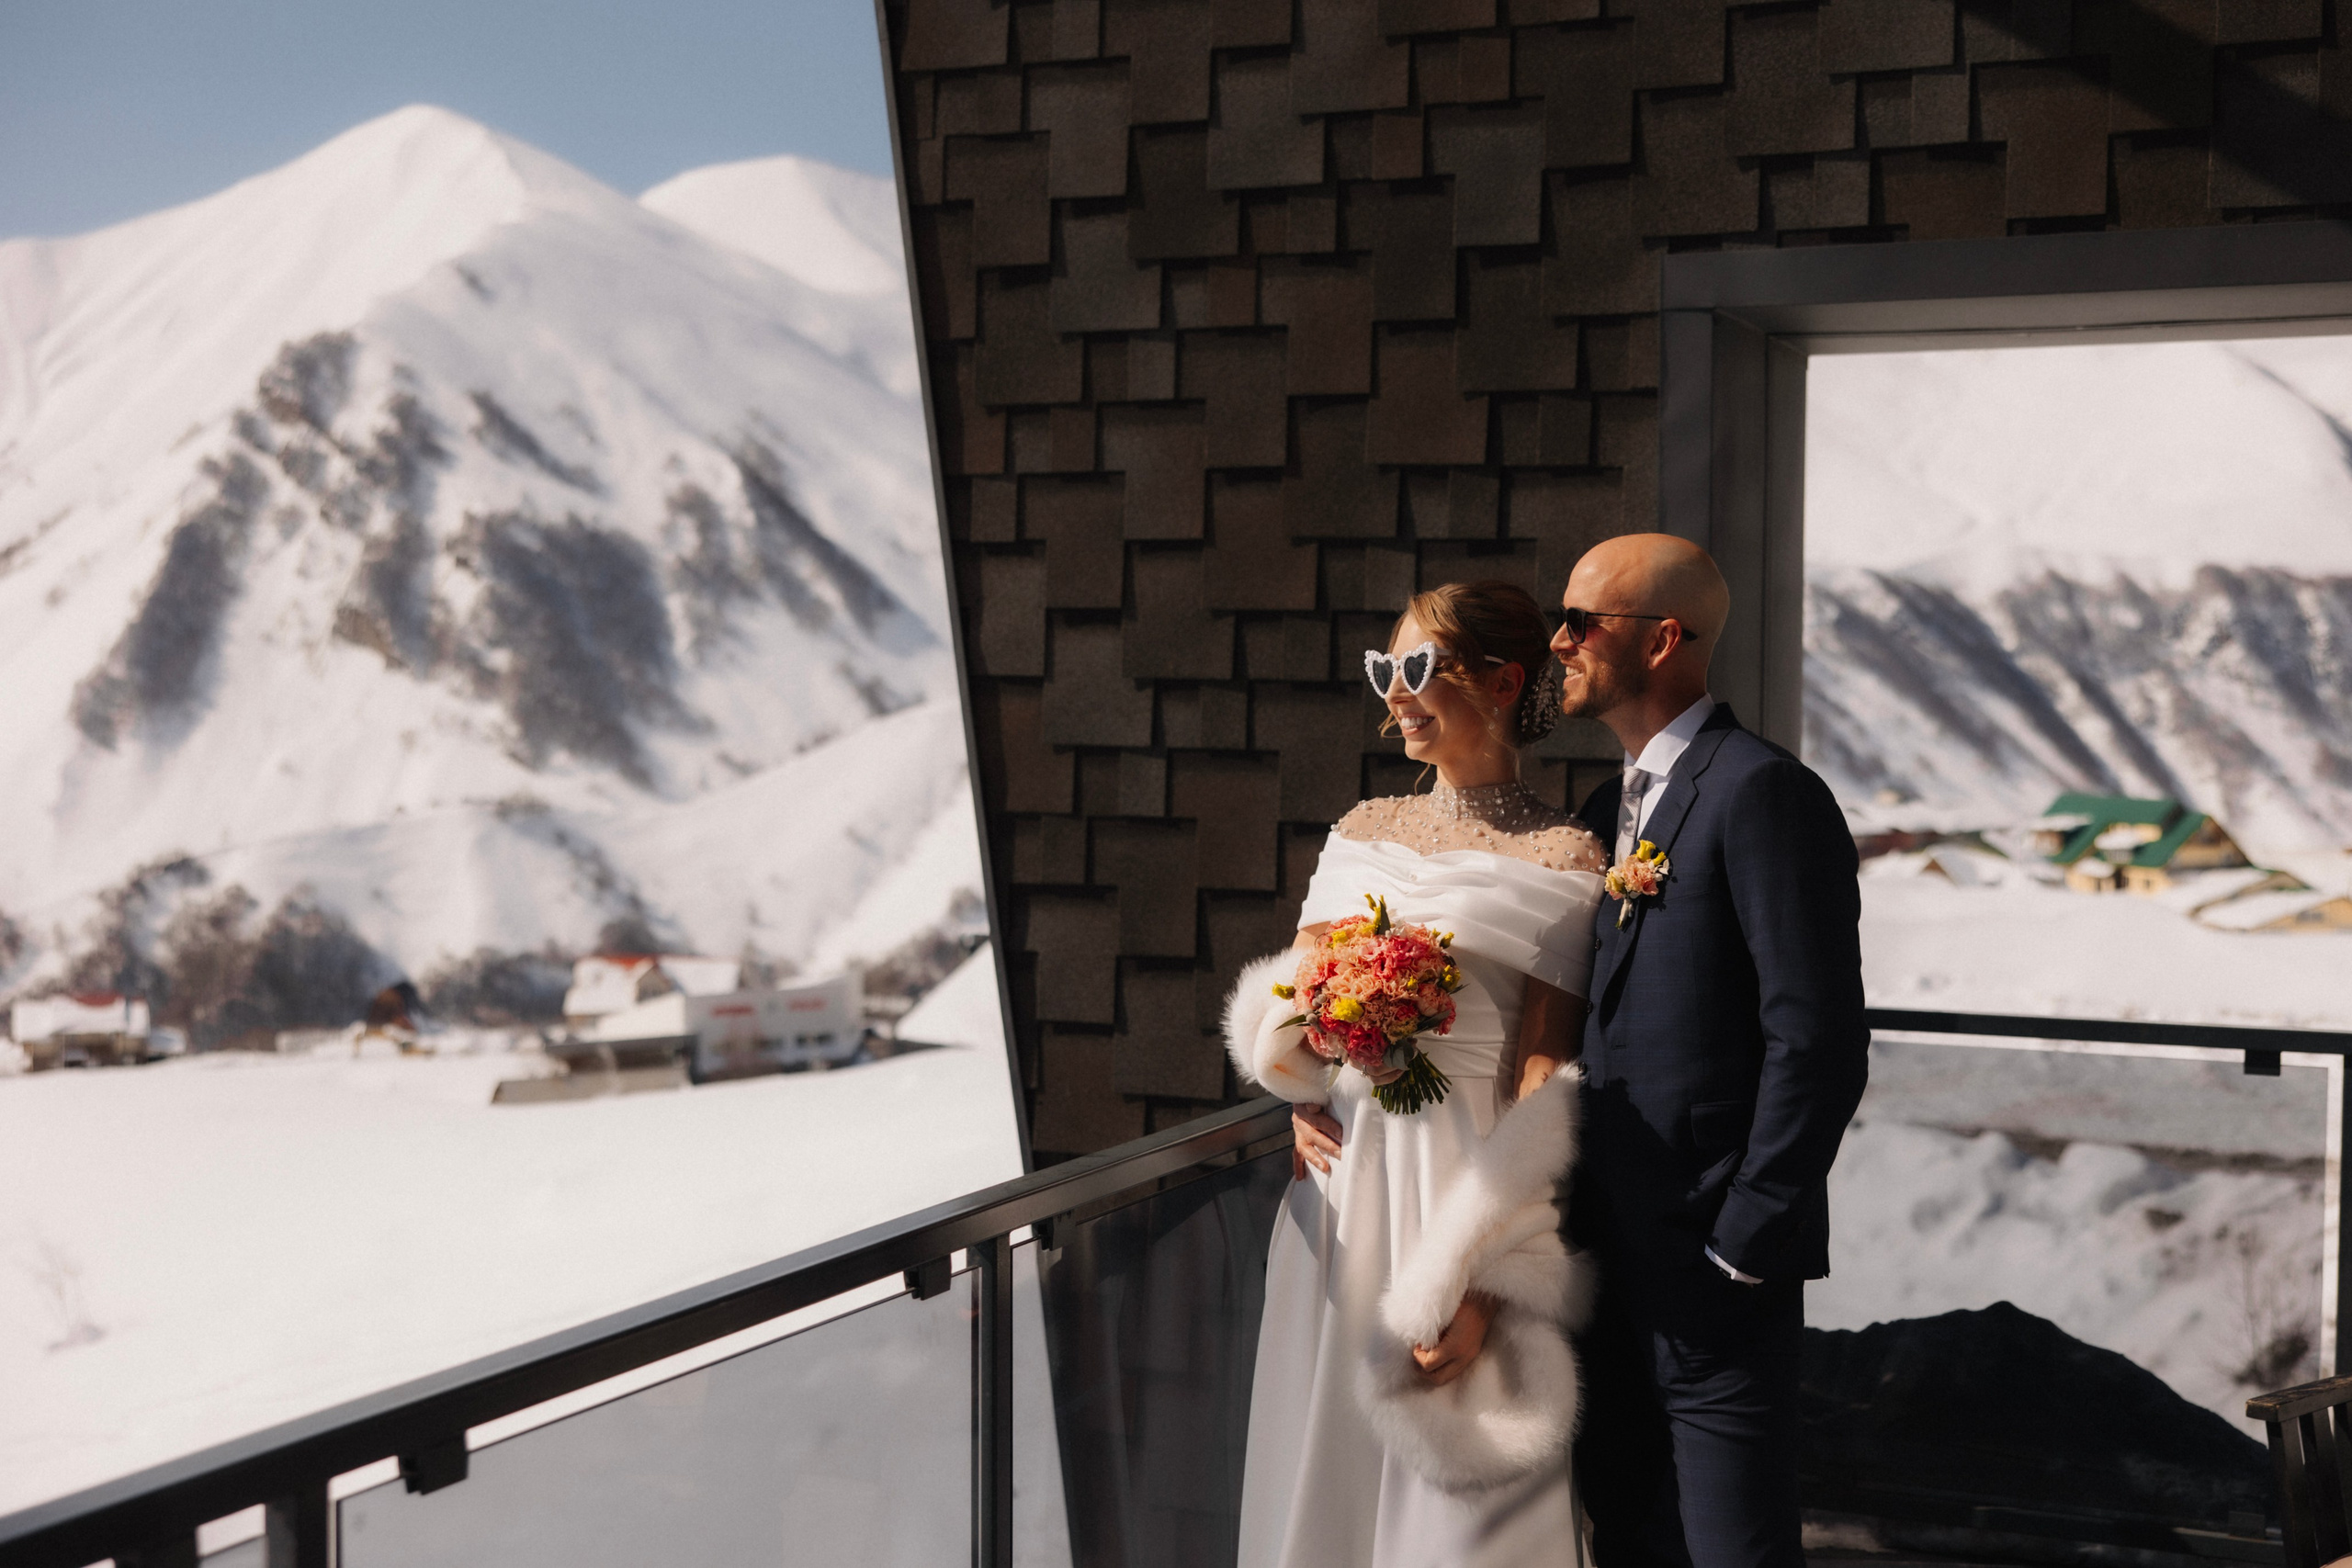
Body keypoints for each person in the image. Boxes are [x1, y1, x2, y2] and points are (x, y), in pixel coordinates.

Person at [1226, 581, 1610, 1568]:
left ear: (1502, 682)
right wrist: (1300, 1091)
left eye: (1414, 668)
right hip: (1341, 1198)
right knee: (1329, 1478)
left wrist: (1484, 1277)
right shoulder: (1359, 829)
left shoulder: (1566, 855)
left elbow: (1543, 1074)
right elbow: (1297, 1003)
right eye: (1381, 670)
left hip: (1462, 1197)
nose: (1392, 693)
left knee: (1466, 1502)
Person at [1555, 535, 1869, 1568]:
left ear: (1661, 640)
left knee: (1736, 1550)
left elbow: (1817, 1040)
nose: (1558, 641)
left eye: (1580, 621)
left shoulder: (1764, 792)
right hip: (1603, 1265)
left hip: (1714, 1271)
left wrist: (1742, 1243)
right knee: (1628, 1541)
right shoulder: (1603, 811)